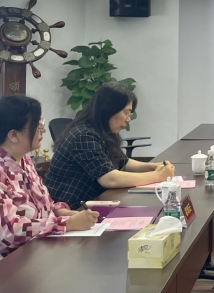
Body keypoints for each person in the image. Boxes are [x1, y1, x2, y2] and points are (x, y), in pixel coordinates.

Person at [0, 95, 98, 283]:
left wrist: (60, 211)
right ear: (13, 135)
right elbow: (9, 232)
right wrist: (66, 224)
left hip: (23, 260)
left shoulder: (24, 161)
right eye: (37, 124)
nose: (43, 129)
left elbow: (43, 205)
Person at [45, 83, 175, 209]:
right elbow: (110, 179)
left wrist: (154, 166)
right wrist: (157, 176)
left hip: (93, 202)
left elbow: (123, 162)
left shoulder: (102, 131)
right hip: (70, 209)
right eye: (126, 113)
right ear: (109, 109)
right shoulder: (84, 135)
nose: (128, 119)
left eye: (129, 114)